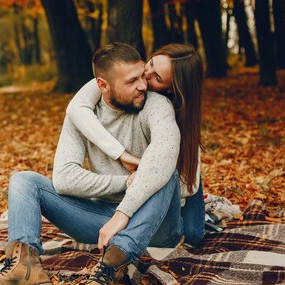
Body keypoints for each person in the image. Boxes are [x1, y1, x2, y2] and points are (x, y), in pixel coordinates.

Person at [0, 42, 185, 285]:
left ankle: (110, 269)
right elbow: (64, 178)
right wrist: (122, 183)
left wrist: (125, 209)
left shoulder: (157, 106)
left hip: (156, 224)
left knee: (163, 170)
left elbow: (161, 163)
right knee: (24, 180)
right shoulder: (83, 116)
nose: (143, 85)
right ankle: (24, 268)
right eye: (132, 81)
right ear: (103, 85)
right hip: (103, 222)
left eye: (142, 77)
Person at [66, 43, 205, 247]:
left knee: (193, 234)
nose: (145, 75)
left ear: (172, 89)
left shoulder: (175, 114)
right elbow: (76, 108)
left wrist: (142, 179)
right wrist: (120, 154)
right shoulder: (123, 80)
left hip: (181, 187)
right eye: (150, 64)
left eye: (157, 78)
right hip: (136, 190)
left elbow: (184, 185)